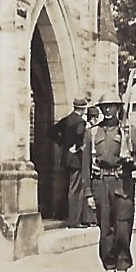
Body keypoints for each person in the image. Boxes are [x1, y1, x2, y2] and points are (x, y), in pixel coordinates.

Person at [82, 91, 136, 272]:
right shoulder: (92, 133)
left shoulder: (128, 130)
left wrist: (130, 162)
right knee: (105, 232)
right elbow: (85, 166)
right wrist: (88, 193)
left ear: (118, 108)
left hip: (122, 183)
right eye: (104, 107)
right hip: (100, 184)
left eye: (112, 106)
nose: (108, 110)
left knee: (123, 230)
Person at [48, 96, 90, 228]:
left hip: (66, 159)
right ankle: (74, 221)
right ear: (83, 109)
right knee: (75, 190)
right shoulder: (80, 122)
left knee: (68, 188)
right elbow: (79, 136)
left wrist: (63, 144)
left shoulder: (67, 120)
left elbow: (51, 131)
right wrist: (76, 147)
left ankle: (66, 216)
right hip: (76, 160)